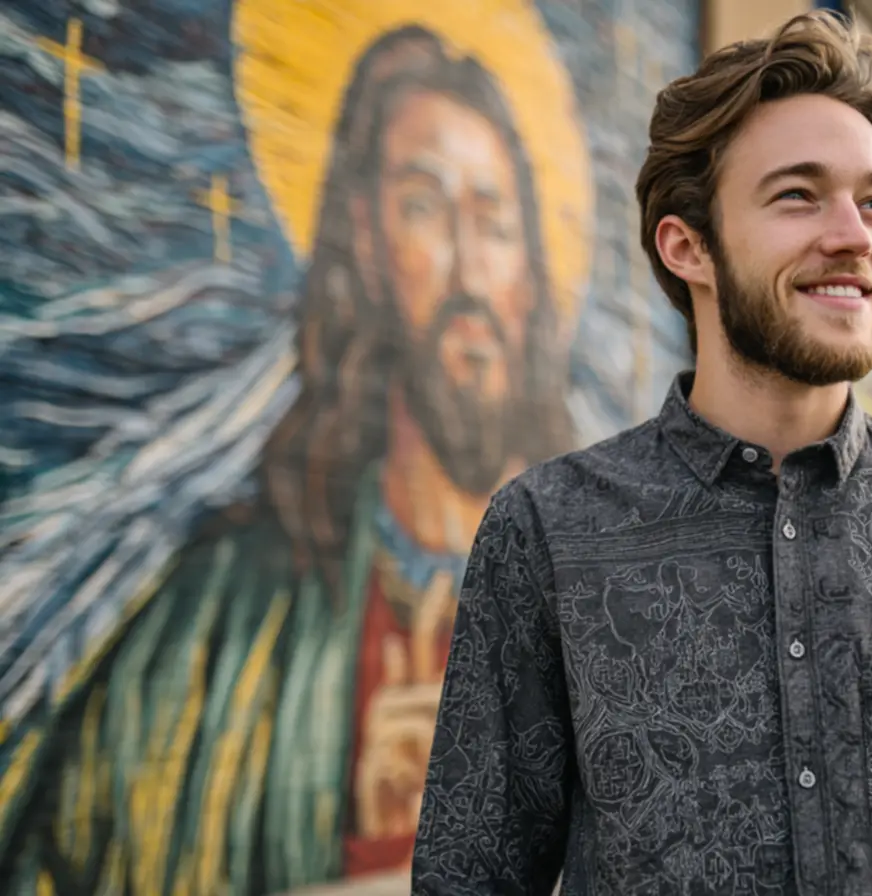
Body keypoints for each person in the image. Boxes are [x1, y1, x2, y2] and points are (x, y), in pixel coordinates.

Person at [411, 10, 872, 896]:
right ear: (689, 246)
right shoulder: (546, 532)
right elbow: (470, 876)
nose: (855, 235)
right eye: (798, 195)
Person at [3, 25, 572, 893]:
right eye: (424, 208)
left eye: (494, 221)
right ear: (366, 248)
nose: (468, 269)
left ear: (531, 272)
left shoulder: (596, 593)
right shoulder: (225, 619)